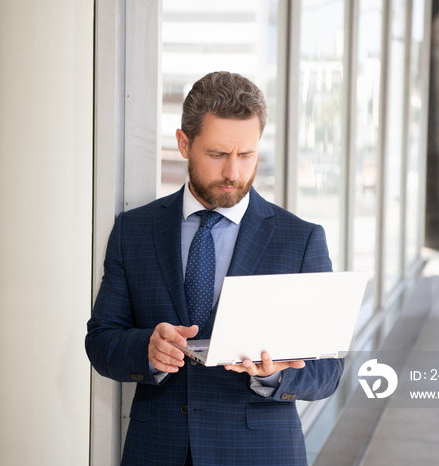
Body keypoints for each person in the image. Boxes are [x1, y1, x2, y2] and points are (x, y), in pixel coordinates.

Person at [86, 71, 343, 466]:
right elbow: (101, 342)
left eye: (247, 155)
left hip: (259, 454)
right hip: (156, 450)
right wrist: (147, 350)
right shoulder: (133, 230)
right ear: (184, 144)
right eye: (218, 154)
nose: (233, 173)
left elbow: (327, 371)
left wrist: (272, 375)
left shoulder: (300, 239)